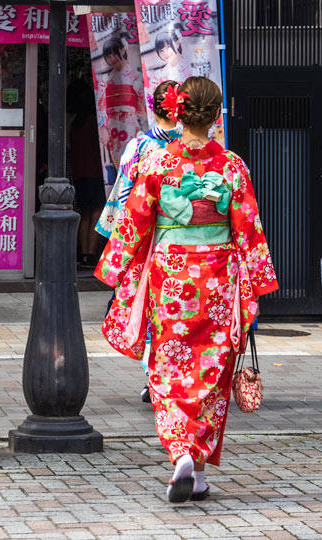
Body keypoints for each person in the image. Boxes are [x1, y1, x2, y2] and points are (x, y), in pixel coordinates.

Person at [94, 77, 277, 503]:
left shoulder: (156, 165)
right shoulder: (232, 166)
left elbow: (134, 223)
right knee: (212, 370)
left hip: (170, 280)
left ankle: (181, 456)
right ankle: (195, 463)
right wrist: (258, 281)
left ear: (177, 111)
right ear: (217, 116)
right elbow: (248, 229)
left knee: (169, 366)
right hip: (219, 279)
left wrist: (113, 268)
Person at [96, 80, 183, 402]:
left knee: (150, 310)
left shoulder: (140, 147)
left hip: (147, 242)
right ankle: (180, 378)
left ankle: (154, 379)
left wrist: (118, 249)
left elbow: (123, 200)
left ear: (153, 106)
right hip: (194, 244)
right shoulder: (195, 147)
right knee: (182, 312)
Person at [69, 80, 106, 268]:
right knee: (97, 212)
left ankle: (83, 253)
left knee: (84, 214)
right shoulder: (94, 122)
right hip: (95, 172)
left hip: (79, 173)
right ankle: (91, 253)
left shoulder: (76, 123)